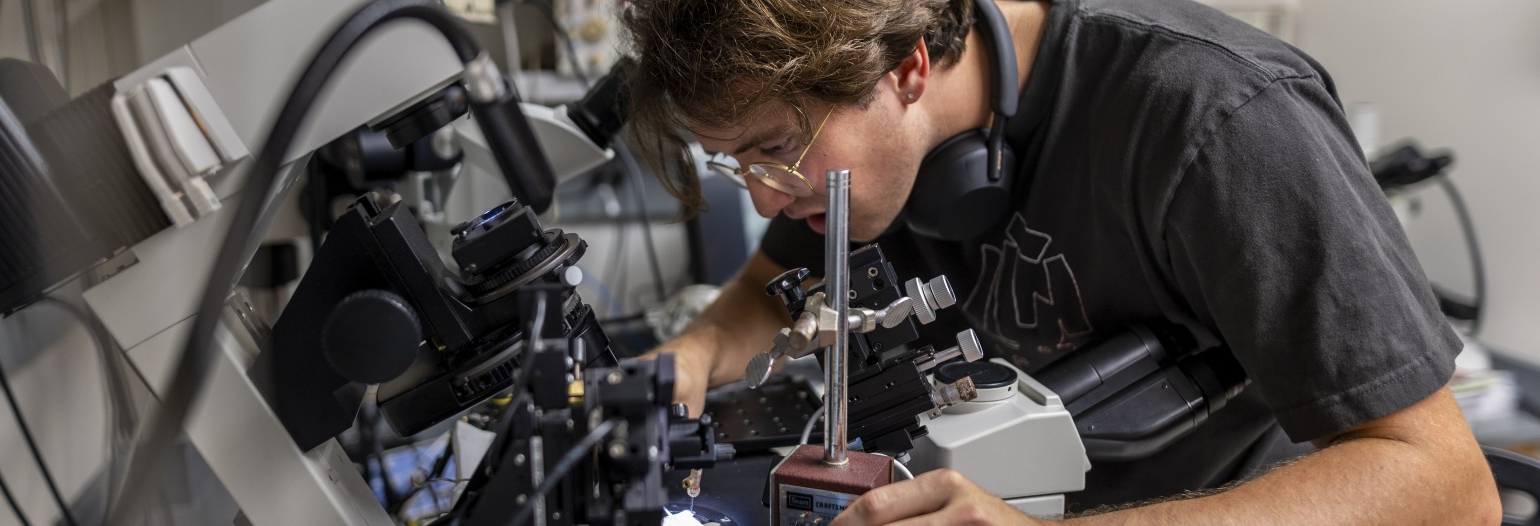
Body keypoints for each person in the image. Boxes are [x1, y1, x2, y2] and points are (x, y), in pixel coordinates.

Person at [620, 0, 1501, 523]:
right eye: (735, 165)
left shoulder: (1216, 116)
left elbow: (1448, 486)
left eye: (774, 149)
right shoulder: (850, 166)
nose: (766, 198)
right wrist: (687, 360)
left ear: (909, 67)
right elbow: (771, 293)